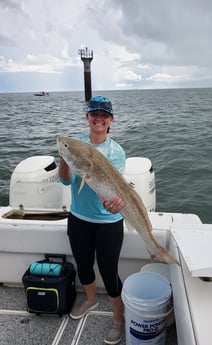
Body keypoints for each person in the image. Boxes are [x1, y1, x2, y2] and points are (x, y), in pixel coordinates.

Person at [58, 96, 125, 344]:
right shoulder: (76, 146)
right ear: (88, 117)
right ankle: (90, 299)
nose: (99, 118)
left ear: (111, 120)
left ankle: (118, 318)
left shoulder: (116, 152)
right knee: (83, 264)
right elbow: (66, 181)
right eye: (94, 113)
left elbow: (114, 189)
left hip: (109, 222)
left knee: (109, 272)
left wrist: (115, 202)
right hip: (79, 218)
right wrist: (64, 159)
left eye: (104, 114)